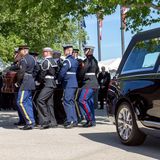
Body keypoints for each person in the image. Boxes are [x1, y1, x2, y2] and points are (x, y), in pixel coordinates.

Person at [36, 47, 58, 129]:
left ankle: (45, 121)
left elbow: (42, 73)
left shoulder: (46, 61)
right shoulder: (53, 61)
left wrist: (38, 81)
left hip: (47, 83)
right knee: (49, 103)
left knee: (40, 100)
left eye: (44, 52)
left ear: (48, 52)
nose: (43, 53)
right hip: (52, 83)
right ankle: (53, 122)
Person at [15, 45, 36, 130]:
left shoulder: (24, 60)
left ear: (23, 50)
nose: (19, 53)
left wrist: (18, 82)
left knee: (20, 102)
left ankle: (29, 122)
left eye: (19, 51)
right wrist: (32, 77)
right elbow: (37, 69)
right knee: (28, 103)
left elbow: (21, 72)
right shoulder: (32, 59)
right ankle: (32, 121)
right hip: (30, 81)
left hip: (25, 82)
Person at [78, 45, 99, 127]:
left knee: (82, 100)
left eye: (85, 50)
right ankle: (92, 120)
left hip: (88, 83)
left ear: (89, 50)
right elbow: (97, 71)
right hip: (93, 82)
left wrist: (79, 77)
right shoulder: (95, 60)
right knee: (90, 102)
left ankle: (89, 119)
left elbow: (82, 72)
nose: (84, 51)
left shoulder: (87, 61)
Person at [58, 44, 78, 129]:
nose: (64, 52)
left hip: (68, 83)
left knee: (66, 101)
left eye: (65, 50)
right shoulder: (74, 60)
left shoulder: (67, 61)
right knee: (71, 102)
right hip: (73, 82)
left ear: (68, 51)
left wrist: (58, 79)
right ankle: (74, 120)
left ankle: (70, 120)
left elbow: (62, 72)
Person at [72, 48, 84, 122]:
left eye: (75, 53)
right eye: (73, 53)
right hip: (73, 82)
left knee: (76, 100)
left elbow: (81, 73)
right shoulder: (71, 60)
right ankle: (77, 115)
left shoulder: (80, 61)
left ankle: (80, 115)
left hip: (78, 83)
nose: (74, 54)